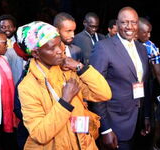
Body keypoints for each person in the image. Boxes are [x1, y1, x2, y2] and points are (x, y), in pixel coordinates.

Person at [17, 21, 111, 149]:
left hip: (84, 144)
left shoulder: (68, 71)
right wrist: (65, 101)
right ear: (36, 53)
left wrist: (80, 67)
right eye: (51, 48)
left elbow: (104, 93)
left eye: (59, 44)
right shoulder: (27, 86)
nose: (59, 51)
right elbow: (39, 134)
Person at [90, 7, 150, 150]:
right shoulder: (103, 48)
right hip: (115, 124)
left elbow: (146, 84)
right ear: (117, 24)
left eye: (133, 22)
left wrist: (146, 116)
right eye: (124, 22)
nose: (129, 27)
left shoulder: (141, 48)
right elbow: (94, 90)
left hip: (137, 122)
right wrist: (105, 129)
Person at [137, 16, 160, 150]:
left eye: (150, 32)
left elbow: (159, 73)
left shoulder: (151, 47)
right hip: (125, 90)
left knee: (145, 119)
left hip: (145, 89)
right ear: (136, 31)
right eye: (145, 32)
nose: (149, 35)